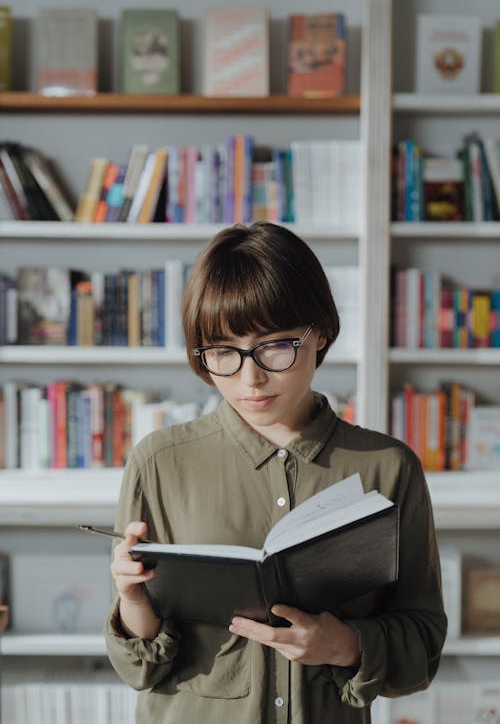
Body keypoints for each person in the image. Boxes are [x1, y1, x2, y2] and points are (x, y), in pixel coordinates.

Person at [105, 221, 447, 724]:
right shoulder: (159, 462)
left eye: (276, 346)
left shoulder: (388, 467)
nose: (251, 377)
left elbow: (422, 646)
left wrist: (344, 645)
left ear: (320, 334)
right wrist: (131, 598)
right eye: (223, 351)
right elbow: (139, 669)